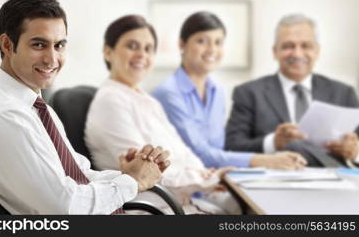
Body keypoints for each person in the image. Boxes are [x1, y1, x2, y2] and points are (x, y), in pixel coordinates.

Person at [0, 0, 170, 215]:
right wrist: (132, 182)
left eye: (59, 45)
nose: (52, 59)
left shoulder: (34, 108)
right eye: (39, 45)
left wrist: (128, 175)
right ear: (7, 44)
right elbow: (67, 206)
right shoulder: (7, 117)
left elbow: (80, 174)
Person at [85, 14, 240, 215]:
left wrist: (205, 175)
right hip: (152, 208)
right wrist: (206, 178)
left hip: (178, 203)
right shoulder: (111, 100)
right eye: (132, 46)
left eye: (148, 49)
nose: (142, 55)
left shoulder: (147, 101)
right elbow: (145, 171)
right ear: (108, 51)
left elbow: (182, 152)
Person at [152, 11, 306, 170]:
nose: (212, 49)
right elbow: (199, 154)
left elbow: (220, 149)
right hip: (183, 188)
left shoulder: (217, 91)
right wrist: (266, 160)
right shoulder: (168, 94)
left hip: (215, 183)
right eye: (202, 41)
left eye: (218, 42)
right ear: (182, 45)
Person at [225, 13, 359, 167]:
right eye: (288, 46)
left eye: (306, 46)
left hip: (335, 181)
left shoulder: (343, 93)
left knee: (297, 146)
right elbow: (232, 146)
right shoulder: (248, 93)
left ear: (317, 51)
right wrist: (274, 143)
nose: (297, 53)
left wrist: (355, 152)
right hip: (275, 182)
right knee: (295, 146)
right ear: (275, 52)